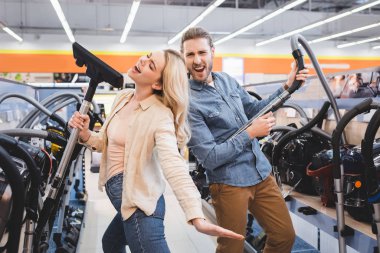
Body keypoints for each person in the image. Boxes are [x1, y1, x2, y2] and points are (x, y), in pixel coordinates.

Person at [68, 49, 244, 253]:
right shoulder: (124, 97)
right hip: (129, 196)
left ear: (158, 84)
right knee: (111, 242)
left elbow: (174, 164)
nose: (143, 61)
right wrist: (86, 134)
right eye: (148, 56)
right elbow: (107, 143)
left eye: (151, 65)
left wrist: (196, 215)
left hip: (140, 203)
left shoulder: (160, 115)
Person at [180, 27, 309, 253]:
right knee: (232, 247)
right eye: (190, 54)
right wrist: (250, 133)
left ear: (212, 52)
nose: (197, 60)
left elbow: (254, 110)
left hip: (260, 172)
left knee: (284, 237)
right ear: (183, 57)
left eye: (202, 52)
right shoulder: (187, 102)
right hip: (228, 183)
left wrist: (287, 86)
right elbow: (210, 158)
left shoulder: (227, 81)